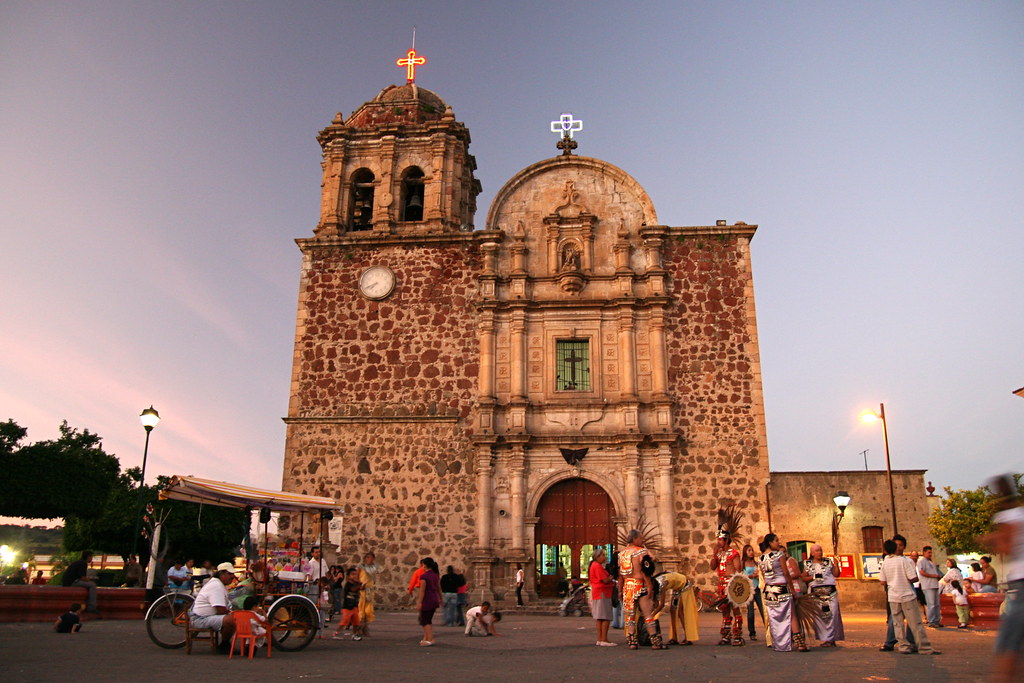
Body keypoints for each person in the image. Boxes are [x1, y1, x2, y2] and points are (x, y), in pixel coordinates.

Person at [981, 473, 1023, 683]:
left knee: (1008, 643)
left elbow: (1007, 547)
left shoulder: (1007, 517)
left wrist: (991, 539)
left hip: (1020, 583)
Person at [879, 539, 939, 655]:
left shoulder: (886, 562)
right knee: (915, 623)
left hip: (893, 596)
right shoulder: (904, 561)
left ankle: (903, 646)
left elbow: (882, 581)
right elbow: (913, 578)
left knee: (898, 623)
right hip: (906, 594)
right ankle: (924, 648)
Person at [618, 528, 665, 650]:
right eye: (640, 538)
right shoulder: (641, 552)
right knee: (648, 614)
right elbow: (645, 570)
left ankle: (632, 641)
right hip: (640, 584)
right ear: (635, 539)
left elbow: (620, 574)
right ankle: (655, 640)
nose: (642, 540)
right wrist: (649, 586)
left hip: (627, 586)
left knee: (630, 616)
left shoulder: (621, 554)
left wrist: (619, 590)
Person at [758, 533, 806, 652]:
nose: (778, 543)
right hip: (782, 588)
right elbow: (785, 573)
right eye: (776, 541)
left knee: (774, 617)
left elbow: (764, 576)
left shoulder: (761, 559)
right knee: (792, 615)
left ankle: (779, 643)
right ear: (770, 542)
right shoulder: (779, 555)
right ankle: (799, 642)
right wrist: (793, 590)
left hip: (769, 591)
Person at [711, 512, 745, 647]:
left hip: (731, 583)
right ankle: (726, 636)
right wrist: (714, 555)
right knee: (724, 610)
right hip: (721, 584)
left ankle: (737, 635)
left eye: (720, 540)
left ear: (726, 540)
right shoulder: (718, 553)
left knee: (735, 609)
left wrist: (736, 583)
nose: (718, 542)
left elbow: (738, 569)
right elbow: (713, 567)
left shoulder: (734, 553)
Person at [801, 543, 845, 646]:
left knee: (833, 614)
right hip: (816, 593)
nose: (819, 552)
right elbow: (803, 578)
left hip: (830, 592)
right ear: (812, 553)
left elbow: (836, 574)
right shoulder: (808, 564)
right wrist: (813, 578)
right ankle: (826, 638)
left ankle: (831, 639)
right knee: (820, 616)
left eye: (820, 550)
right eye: (817, 551)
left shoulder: (827, 562)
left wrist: (836, 565)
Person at [189, 562, 238, 653]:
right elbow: (220, 610)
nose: (232, 576)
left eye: (233, 574)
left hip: (204, 617)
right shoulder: (216, 586)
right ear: (221, 574)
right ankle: (224, 645)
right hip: (200, 619)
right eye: (230, 574)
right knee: (231, 619)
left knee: (234, 617)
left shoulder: (219, 584)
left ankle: (225, 644)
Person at [880, 534, 917, 651]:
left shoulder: (907, 561)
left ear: (904, 547)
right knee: (894, 619)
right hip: (894, 594)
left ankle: (911, 642)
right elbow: (883, 579)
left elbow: (913, 577)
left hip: (907, 593)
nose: (898, 547)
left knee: (911, 619)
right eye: (896, 545)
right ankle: (890, 641)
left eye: (901, 545)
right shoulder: (887, 560)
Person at [651, 572, 699, 646]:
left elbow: (662, 605)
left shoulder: (662, 584)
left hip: (684, 586)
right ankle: (674, 637)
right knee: (672, 611)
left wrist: (652, 615)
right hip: (677, 588)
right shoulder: (655, 585)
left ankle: (688, 637)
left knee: (680, 612)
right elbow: (656, 603)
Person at [588, 548, 616, 646]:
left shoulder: (594, 565)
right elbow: (605, 580)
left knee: (599, 617)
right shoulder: (597, 566)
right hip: (603, 592)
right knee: (605, 616)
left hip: (598, 592)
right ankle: (604, 639)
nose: (604, 557)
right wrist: (611, 577)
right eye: (603, 555)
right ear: (598, 557)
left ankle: (600, 638)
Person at [61, 550, 98, 614]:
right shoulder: (83, 563)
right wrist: (91, 581)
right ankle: (91, 607)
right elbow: (82, 577)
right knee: (92, 585)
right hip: (72, 582)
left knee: (90, 584)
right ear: (88, 557)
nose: (91, 558)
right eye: (91, 557)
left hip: (68, 582)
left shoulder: (79, 562)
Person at [332, 568, 363, 640]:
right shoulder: (348, 584)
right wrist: (359, 585)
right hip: (347, 606)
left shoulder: (355, 584)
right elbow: (353, 589)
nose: (354, 576)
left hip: (354, 606)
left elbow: (360, 589)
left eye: (355, 574)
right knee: (345, 621)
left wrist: (361, 584)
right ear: (348, 576)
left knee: (356, 622)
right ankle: (337, 633)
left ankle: (355, 634)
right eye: (352, 574)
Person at [742, 544, 764, 641]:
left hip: (757, 588)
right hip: (749, 588)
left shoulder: (756, 563)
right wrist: (751, 576)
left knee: (763, 610)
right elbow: (742, 576)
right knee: (750, 612)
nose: (751, 552)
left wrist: (758, 575)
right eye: (749, 550)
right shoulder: (743, 563)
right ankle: (752, 632)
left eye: (752, 550)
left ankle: (769, 629)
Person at [939, 558, 971, 629]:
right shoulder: (958, 571)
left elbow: (945, 579)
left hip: (950, 590)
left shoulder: (951, 571)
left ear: (951, 563)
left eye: (948, 562)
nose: (947, 564)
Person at [416, 557, 441, 646]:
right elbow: (438, 589)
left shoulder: (424, 577)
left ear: (424, 565)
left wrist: (419, 602)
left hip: (427, 599)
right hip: (434, 598)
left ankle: (430, 639)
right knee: (428, 619)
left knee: (425, 620)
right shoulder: (435, 575)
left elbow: (422, 591)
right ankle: (426, 637)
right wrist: (440, 598)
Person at [917, 546, 943, 627]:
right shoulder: (921, 561)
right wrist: (933, 576)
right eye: (929, 552)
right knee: (931, 604)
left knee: (936, 604)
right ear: (924, 552)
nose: (930, 554)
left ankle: (937, 620)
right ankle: (931, 621)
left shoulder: (930, 562)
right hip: (928, 585)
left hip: (934, 585)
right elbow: (922, 572)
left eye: (931, 552)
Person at [356, 552, 378, 637]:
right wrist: (359, 585)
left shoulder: (373, 568)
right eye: (369, 558)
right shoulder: (361, 567)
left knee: (368, 610)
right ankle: (359, 629)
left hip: (369, 590)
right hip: (362, 589)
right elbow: (357, 577)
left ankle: (365, 628)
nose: (370, 560)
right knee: (361, 609)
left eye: (372, 558)